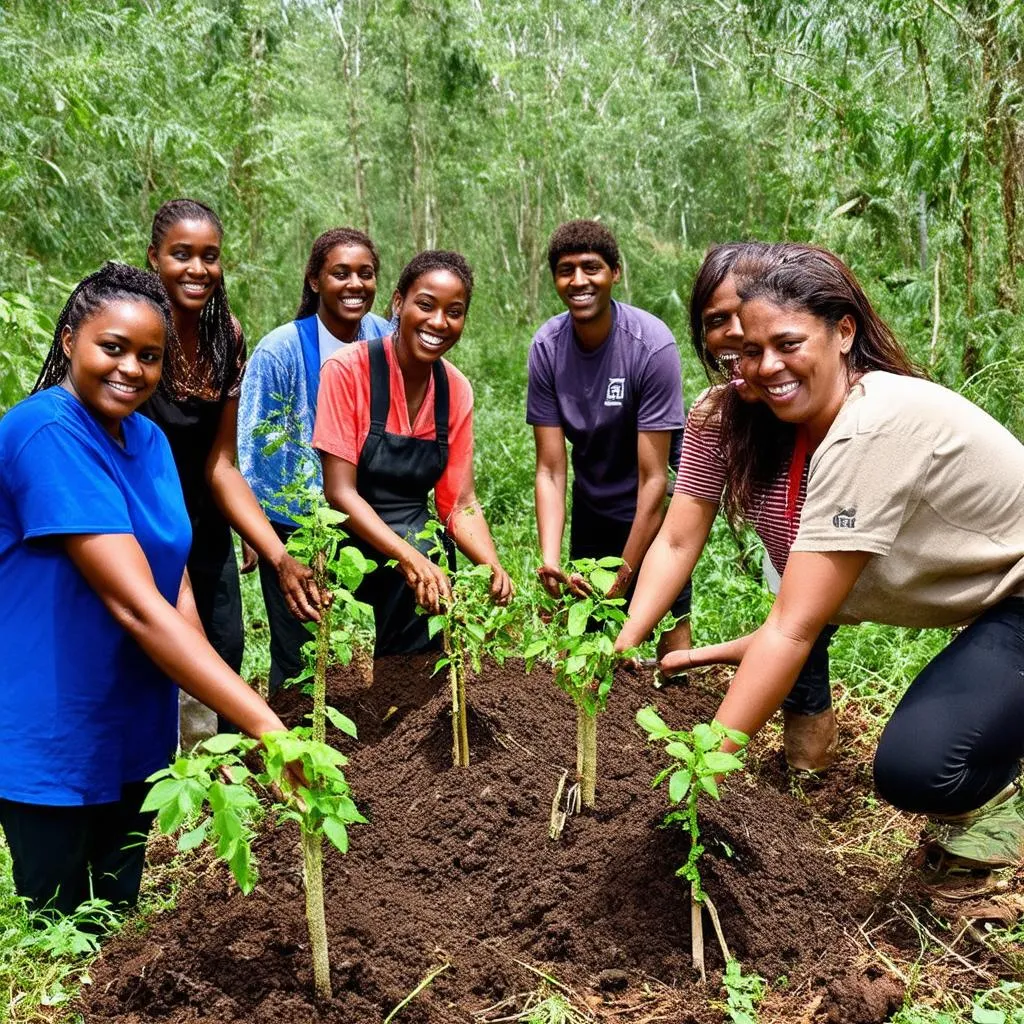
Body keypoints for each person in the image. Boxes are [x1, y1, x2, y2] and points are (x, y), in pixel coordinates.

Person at [686, 243, 1024, 870]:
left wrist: (702, 771)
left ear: (843, 332)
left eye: (789, 343)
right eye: (751, 351)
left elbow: (796, 625)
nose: (766, 366)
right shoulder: (834, 419)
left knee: (921, 767)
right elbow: (801, 609)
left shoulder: (868, 430)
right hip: (1000, 603)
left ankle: (1000, 824)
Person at [0, 264, 297, 919]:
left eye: (150, 357)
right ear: (71, 338)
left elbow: (175, 581)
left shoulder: (150, 439)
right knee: (59, 938)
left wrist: (217, 709)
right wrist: (266, 725)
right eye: (113, 348)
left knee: (118, 923)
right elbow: (136, 606)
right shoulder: (46, 433)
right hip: (53, 730)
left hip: (135, 727)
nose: (131, 369)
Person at [615, 243, 839, 771]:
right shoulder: (716, 417)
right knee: (801, 666)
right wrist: (625, 639)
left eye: (749, 313)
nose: (738, 333)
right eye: (718, 321)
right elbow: (676, 539)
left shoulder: (836, 405)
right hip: (797, 578)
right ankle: (809, 783)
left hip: (889, 577)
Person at [143, 199, 319, 741]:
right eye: (181, 254)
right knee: (163, 656)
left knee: (223, 647)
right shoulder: (137, 333)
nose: (197, 269)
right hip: (143, 520)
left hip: (205, 523)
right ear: (154, 258)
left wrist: (278, 553)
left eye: (209, 256)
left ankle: (213, 786)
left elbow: (222, 463)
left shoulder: (226, 338)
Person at [314, 250, 512, 655]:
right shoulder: (347, 370)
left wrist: (492, 567)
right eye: (426, 305)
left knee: (433, 568)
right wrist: (408, 558)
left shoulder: (456, 390)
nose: (439, 322)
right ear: (399, 303)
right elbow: (339, 493)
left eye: (454, 312)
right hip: (348, 528)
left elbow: (459, 502)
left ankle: (413, 702)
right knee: (418, 563)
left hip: (412, 523)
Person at [527, 219, 689, 655]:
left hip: (648, 512)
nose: (578, 281)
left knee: (670, 647)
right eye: (566, 270)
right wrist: (549, 561)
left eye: (591, 267)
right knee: (587, 649)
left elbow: (655, 478)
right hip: (592, 507)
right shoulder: (547, 347)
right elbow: (550, 467)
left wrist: (626, 574)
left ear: (615, 272)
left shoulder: (650, 346)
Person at [238, 228, 390, 692]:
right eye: (340, 273)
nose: (354, 284)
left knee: (399, 617)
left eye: (365, 274)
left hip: (370, 510)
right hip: (295, 521)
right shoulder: (280, 350)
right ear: (314, 280)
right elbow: (253, 446)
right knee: (298, 648)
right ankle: (292, 752)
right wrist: (255, 530)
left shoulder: (385, 338)